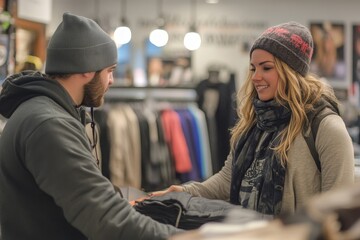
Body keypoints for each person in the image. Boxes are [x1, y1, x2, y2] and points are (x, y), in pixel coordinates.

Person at [0, 12, 182, 239]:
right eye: (110, 71)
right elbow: (105, 218)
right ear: (87, 68)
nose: (111, 81)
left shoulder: (47, 112)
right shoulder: (49, 125)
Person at [151, 22, 355, 217]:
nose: (256, 77)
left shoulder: (325, 127)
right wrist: (184, 191)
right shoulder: (253, 123)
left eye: (266, 68)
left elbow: (337, 210)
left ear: (290, 72)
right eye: (253, 68)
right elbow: (227, 180)